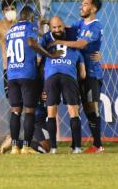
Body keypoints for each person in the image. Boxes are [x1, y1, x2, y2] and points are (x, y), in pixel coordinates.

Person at [48, 0, 104, 153]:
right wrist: (49, 23)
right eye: (82, 4)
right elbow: (66, 29)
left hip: (92, 72)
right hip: (77, 71)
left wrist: (61, 43)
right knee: (76, 109)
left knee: (91, 108)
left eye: (85, 4)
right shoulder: (79, 24)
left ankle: (98, 145)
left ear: (93, 9)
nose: (81, 7)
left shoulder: (96, 26)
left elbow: (81, 44)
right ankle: (76, 144)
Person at [5, 6, 61, 154]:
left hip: (11, 75)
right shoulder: (31, 26)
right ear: (31, 17)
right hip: (27, 74)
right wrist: (50, 55)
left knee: (15, 111)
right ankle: (26, 147)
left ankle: (14, 147)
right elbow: (31, 42)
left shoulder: (10, 31)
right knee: (29, 111)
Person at [42, 16, 86, 154]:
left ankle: (54, 148)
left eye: (59, 27)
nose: (57, 29)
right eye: (55, 27)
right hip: (69, 77)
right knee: (73, 112)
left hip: (51, 77)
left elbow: (39, 63)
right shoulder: (75, 48)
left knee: (51, 114)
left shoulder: (47, 46)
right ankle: (77, 148)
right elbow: (83, 74)